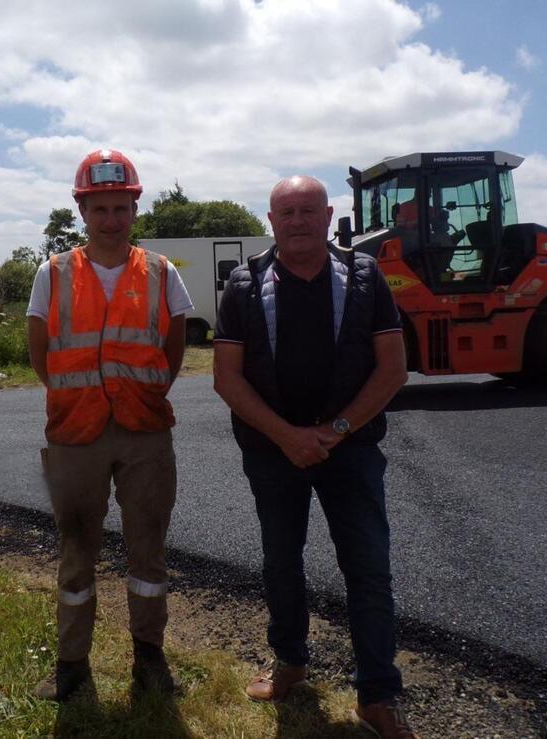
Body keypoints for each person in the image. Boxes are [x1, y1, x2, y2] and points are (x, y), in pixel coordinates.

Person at [213, 176, 417, 738]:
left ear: (328, 216)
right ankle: (290, 664)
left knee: (369, 569)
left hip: (350, 452)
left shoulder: (365, 276)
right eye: (287, 211)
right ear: (271, 220)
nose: (298, 220)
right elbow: (227, 379)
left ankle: (377, 695)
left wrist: (336, 430)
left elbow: (392, 368)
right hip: (273, 454)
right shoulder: (243, 284)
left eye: (308, 210)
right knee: (282, 562)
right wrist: (287, 436)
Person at [26, 149, 193, 701]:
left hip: (145, 430)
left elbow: (173, 348)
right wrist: (79, 398)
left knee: (148, 549)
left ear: (134, 208)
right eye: (100, 209)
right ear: (82, 209)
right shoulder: (51, 274)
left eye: (120, 207)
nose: (111, 219)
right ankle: (73, 663)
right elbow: (38, 353)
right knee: (76, 551)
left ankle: (149, 657)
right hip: (74, 434)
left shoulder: (162, 273)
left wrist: (142, 395)